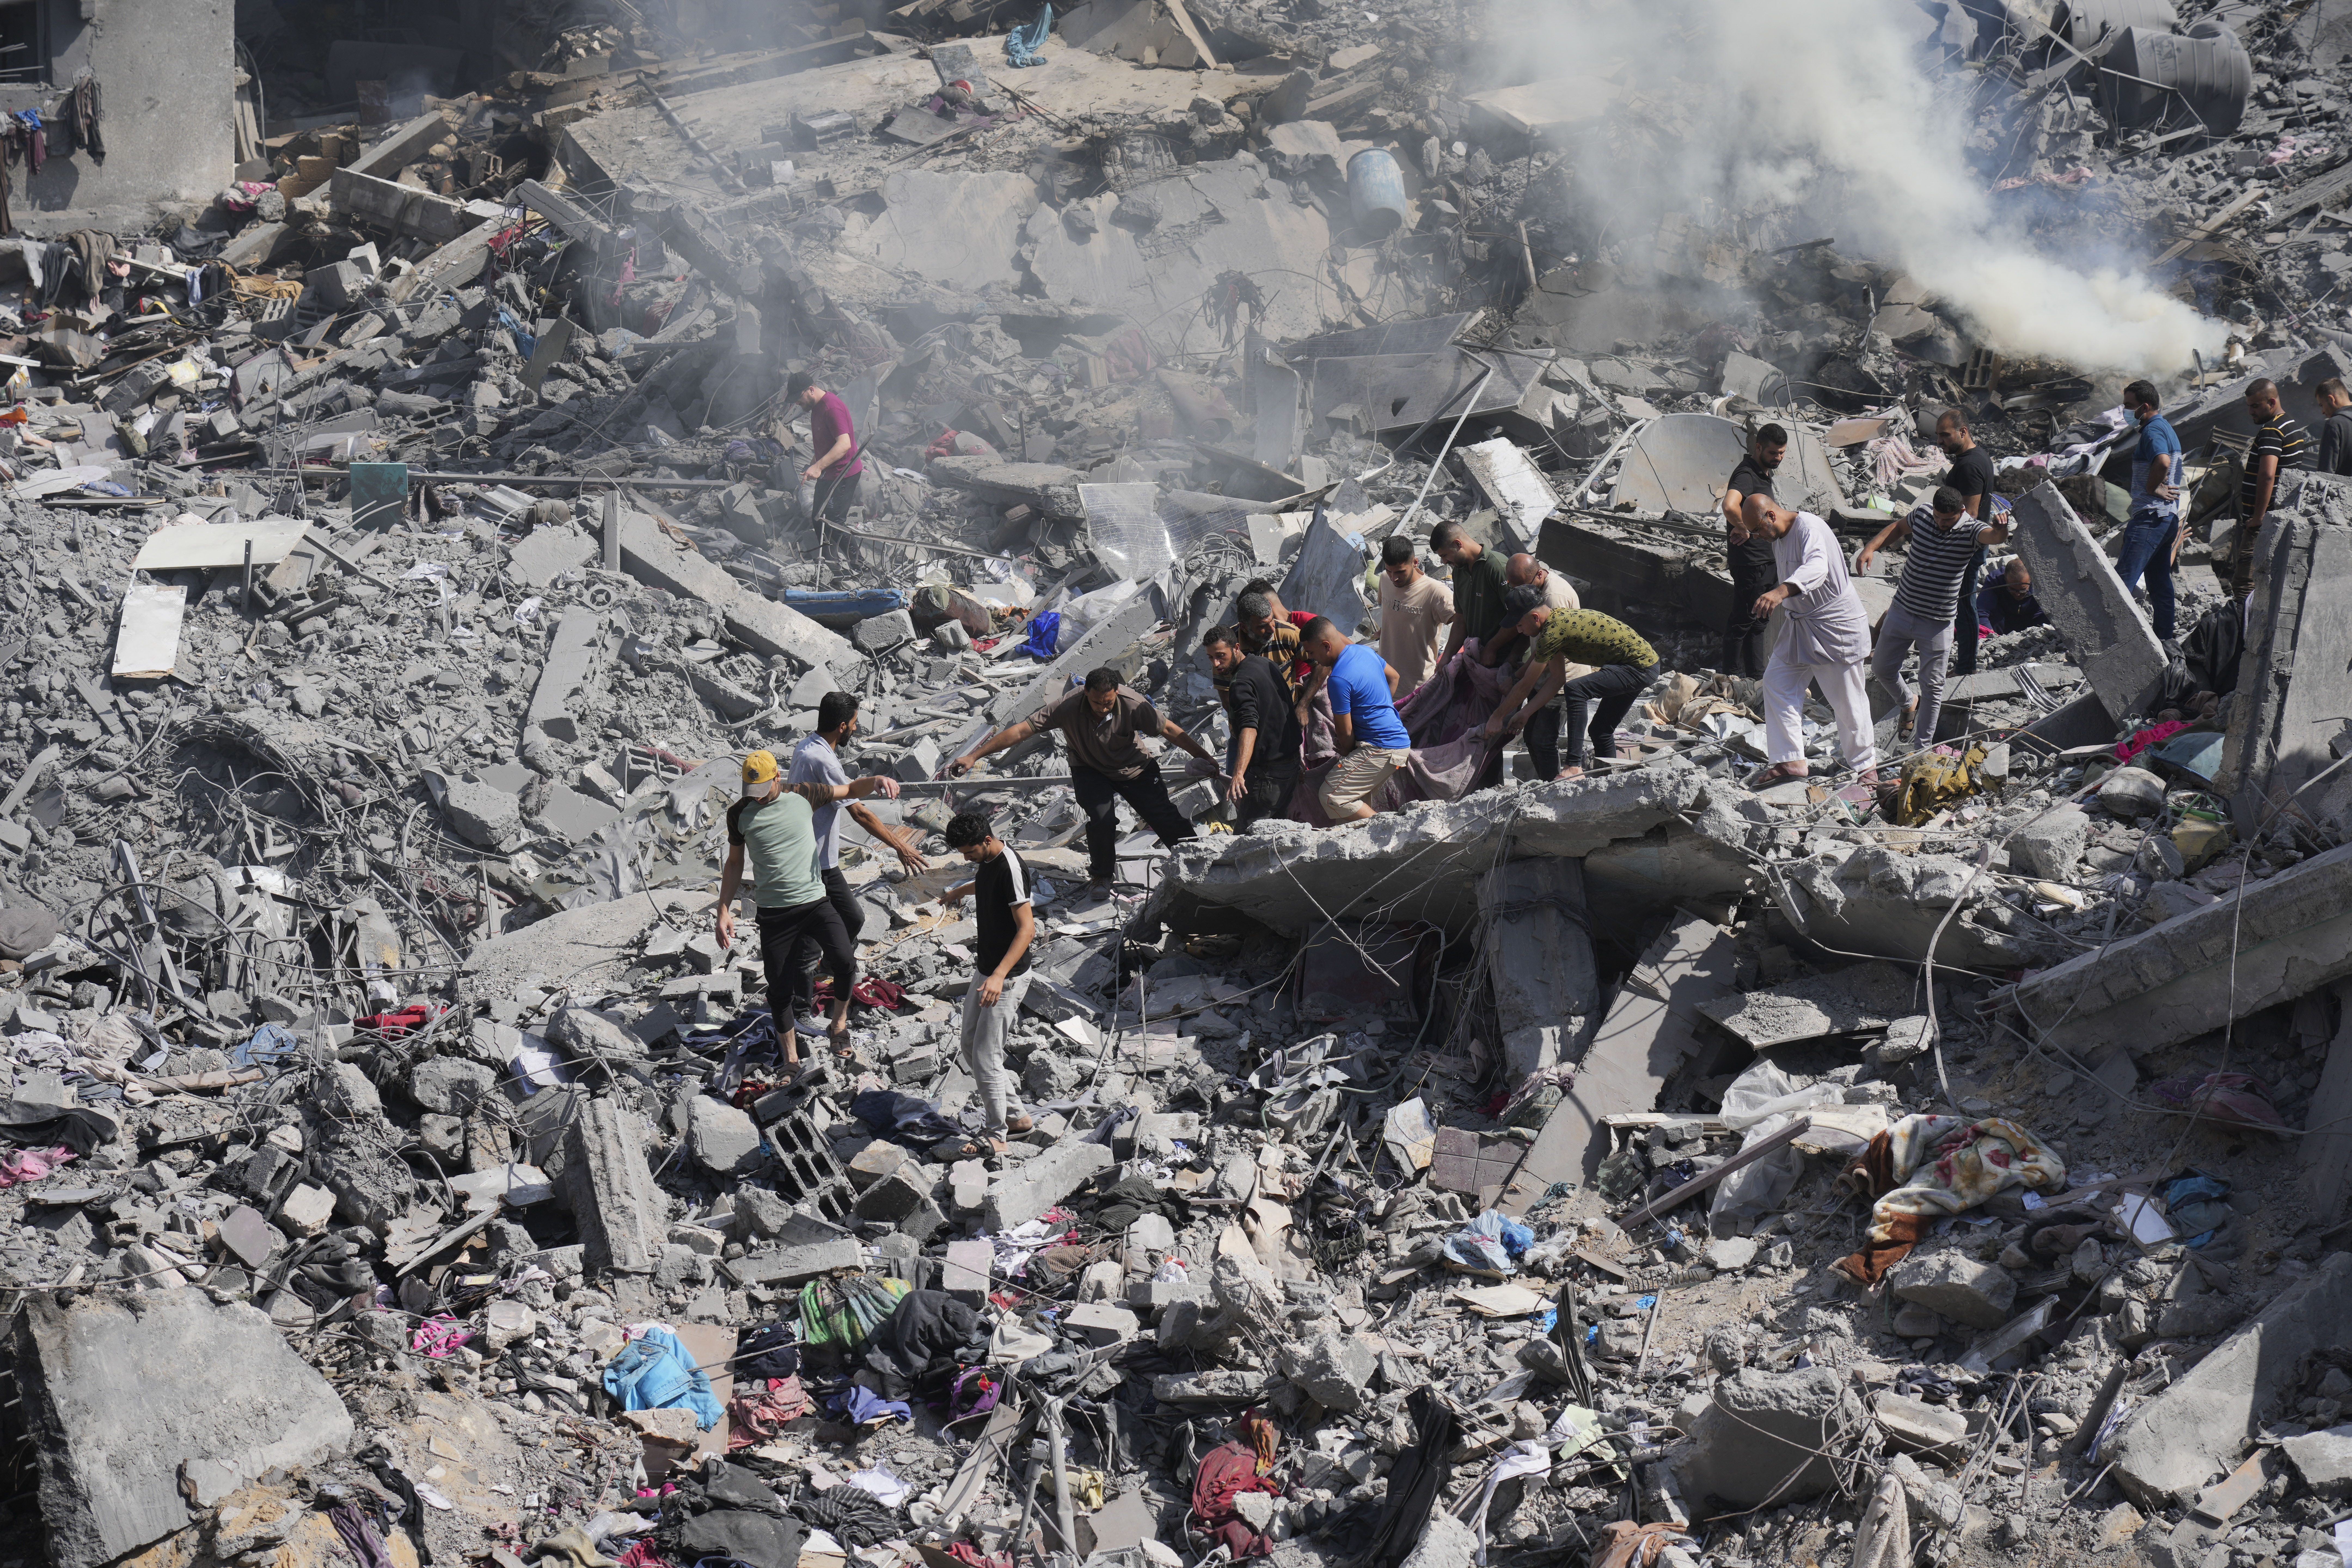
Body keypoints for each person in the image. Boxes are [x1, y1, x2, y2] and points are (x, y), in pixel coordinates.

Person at [947, 667, 1217, 895]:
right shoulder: (1068, 706)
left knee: (1163, 817)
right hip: (1089, 769)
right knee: (1102, 819)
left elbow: (1171, 730)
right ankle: (1102, 876)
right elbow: (1021, 731)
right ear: (1086, 693)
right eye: (1097, 702)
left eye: (1109, 703)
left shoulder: (1134, 705)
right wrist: (973, 756)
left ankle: (1200, 860)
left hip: (1134, 768)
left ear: (1117, 694)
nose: (1103, 708)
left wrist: (1205, 757)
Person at [715, 750, 900, 1059]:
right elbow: (735, 863)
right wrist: (723, 910)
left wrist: (877, 780)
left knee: (845, 961)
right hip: (775, 915)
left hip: (815, 902)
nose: (758, 799)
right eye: (752, 793)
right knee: (779, 993)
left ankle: (838, 1027)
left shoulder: (803, 794)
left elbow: (851, 790)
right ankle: (791, 1062)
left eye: (763, 791)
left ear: (777, 777)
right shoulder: (739, 814)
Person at [786, 692, 931, 1025]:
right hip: (810, 865)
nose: (855, 729)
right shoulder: (822, 760)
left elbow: (850, 792)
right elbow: (860, 812)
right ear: (842, 726)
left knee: (852, 918)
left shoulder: (809, 747)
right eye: (853, 724)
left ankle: (828, 967)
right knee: (809, 941)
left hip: (822, 860)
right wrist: (900, 846)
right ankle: (798, 1013)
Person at [1857, 486, 2011, 750]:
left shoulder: (1972, 529)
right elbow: (1898, 528)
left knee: (1933, 687)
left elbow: (1993, 537)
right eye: (1938, 517)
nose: (1941, 523)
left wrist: (2002, 529)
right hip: (1902, 610)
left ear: (1961, 511)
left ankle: (1922, 748)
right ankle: (1908, 703)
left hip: (1938, 623)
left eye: (1947, 519)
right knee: (1882, 667)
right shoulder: (1924, 514)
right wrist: (1871, 548)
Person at [1741, 495, 1877, 788]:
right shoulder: (1776, 535)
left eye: (1758, 531)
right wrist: (1745, 530)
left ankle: (1867, 769)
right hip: (1800, 625)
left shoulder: (1810, 527)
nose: (1759, 539)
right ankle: (1791, 759)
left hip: (1833, 625)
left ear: (1771, 517)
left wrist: (1779, 593)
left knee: (1848, 701)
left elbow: (1818, 567)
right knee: (1778, 683)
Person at [1483, 587, 1659, 780]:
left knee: (1576, 689)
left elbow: (1526, 685)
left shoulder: (1552, 633)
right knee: (1600, 731)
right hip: (1639, 665)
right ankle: (1609, 782)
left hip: (1638, 667)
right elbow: (1557, 679)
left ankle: (1574, 766)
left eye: (1519, 625)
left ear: (1535, 618)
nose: (1519, 631)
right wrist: (1525, 713)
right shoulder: (1555, 623)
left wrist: (1497, 717)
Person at [939, 811, 1036, 1146]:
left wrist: (998, 976)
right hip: (988, 967)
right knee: (969, 1042)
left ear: (987, 840)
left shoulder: (1010, 867)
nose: (967, 858)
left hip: (1007, 976)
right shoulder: (990, 860)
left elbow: (1028, 929)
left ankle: (997, 1135)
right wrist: (958, 893)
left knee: (986, 1055)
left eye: (970, 852)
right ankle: (1017, 1117)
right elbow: (984, 881)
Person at [1298, 617, 1408, 822]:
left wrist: (1347, 753)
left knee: (1333, 797)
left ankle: (1391, 829)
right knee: (1356, 802)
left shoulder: (1339, 679)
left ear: (1326, 646)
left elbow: (1345, 732)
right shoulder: (1365, 652)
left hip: (1380, 748)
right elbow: (1394, 677)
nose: (1310, 658)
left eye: (1312, 652)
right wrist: (1380, 708)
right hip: (1395, 742)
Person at [1205, 624, 1300, 831]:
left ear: (1236, 648)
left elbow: (1250, 726)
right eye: (1211, 658)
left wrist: (1239, 773)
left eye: (1221, 656)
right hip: (1291, 763)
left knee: (1246, 839)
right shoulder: (1265, 664)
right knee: (1279, 831)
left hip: (1269, 775)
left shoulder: (1240, 684)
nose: (1216, 663)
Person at [1932, 410, 1998, 677]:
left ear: (1963, 432)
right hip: (1969, 547)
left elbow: (1969, 515)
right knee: (1960, 603)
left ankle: (1966, 665)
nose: (1940, 442)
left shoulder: (1970, 466)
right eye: (1938, 435)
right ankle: (1959, 660)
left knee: (1964, 605)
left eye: (1945, 435)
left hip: (1966, 549)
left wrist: (1947, 547)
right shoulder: (1975, 457)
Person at [2118, 379, 2185, 641]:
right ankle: (2165, 643)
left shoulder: (2152, 431)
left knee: (2121, 584)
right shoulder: (2166, 427)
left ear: (2144, 407)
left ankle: (2109, 644)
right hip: (2167, 519)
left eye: (2129, 406)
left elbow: (2163, 461)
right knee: (2160, 588)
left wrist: (2151, 487)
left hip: (2150, 518)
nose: (2125, 411)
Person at [1721, 424, 1788, 678]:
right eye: (1773, 453)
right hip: (1752, 564)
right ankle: (1730, 681)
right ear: (1758, 448)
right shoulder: (1747, 474)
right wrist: (1744, 527)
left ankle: (1756, 678)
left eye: (1782, 453)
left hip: (1766, 562)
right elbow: (1729, 505)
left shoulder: (1763, 472)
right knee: (1742, 623)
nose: (1778, 458)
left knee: (1759, 623)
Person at [1377, 535, 1454, 697]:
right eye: (1389, 571)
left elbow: (1463, 623)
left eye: (1400, 572)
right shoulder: (1384, 579)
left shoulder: (1436, 592)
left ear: (1415, 563)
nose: (1394, 578)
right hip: (1384, 679)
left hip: (1417, 687)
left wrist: (1447, 657)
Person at [785, 371, 864, 525]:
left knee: (834, 525)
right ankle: (829, 550)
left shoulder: (831, 408)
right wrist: (813, 464)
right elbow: (826, 442)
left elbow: (844, 444)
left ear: (811, 390)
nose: (797, 403)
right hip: (829, 474)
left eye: (798, 398)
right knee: (818, 520)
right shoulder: (817, 407)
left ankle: (852, 550)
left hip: (843, 475)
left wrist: (818, 467)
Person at [1432, 521, 1513, 667]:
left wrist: (1492, 648)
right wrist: (1447, 657)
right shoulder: (1459, 571)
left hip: (1507, 661)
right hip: (1480, 658)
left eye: (1445, 555)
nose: (1444, 562)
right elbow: (1461, 619)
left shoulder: (1496, 567)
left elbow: (1518, 615)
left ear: (1458, 544)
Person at [1235, 582, 1316, 688]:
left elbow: (1339, 652)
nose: (1272, 629)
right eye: (1262, 625)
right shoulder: (1257, 638)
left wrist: (1306, 695)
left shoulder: (1305, 624)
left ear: (1267, 605)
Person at [1976, 559, 2047, 636]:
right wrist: (1992, 637)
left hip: (2034, 620)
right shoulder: (1995, 581)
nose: (2018, 594)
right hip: (2003, 623)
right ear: (2005, 580)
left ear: (2031, 580)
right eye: (2013, 590)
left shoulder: (2042, 582)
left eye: (2023, 590)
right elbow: (1981, 612)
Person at [2319, 377, 2352, 477]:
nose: (2323, 412)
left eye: (2321, 405)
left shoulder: (2335, 424)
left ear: (2331, 399)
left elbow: (2325, 474)